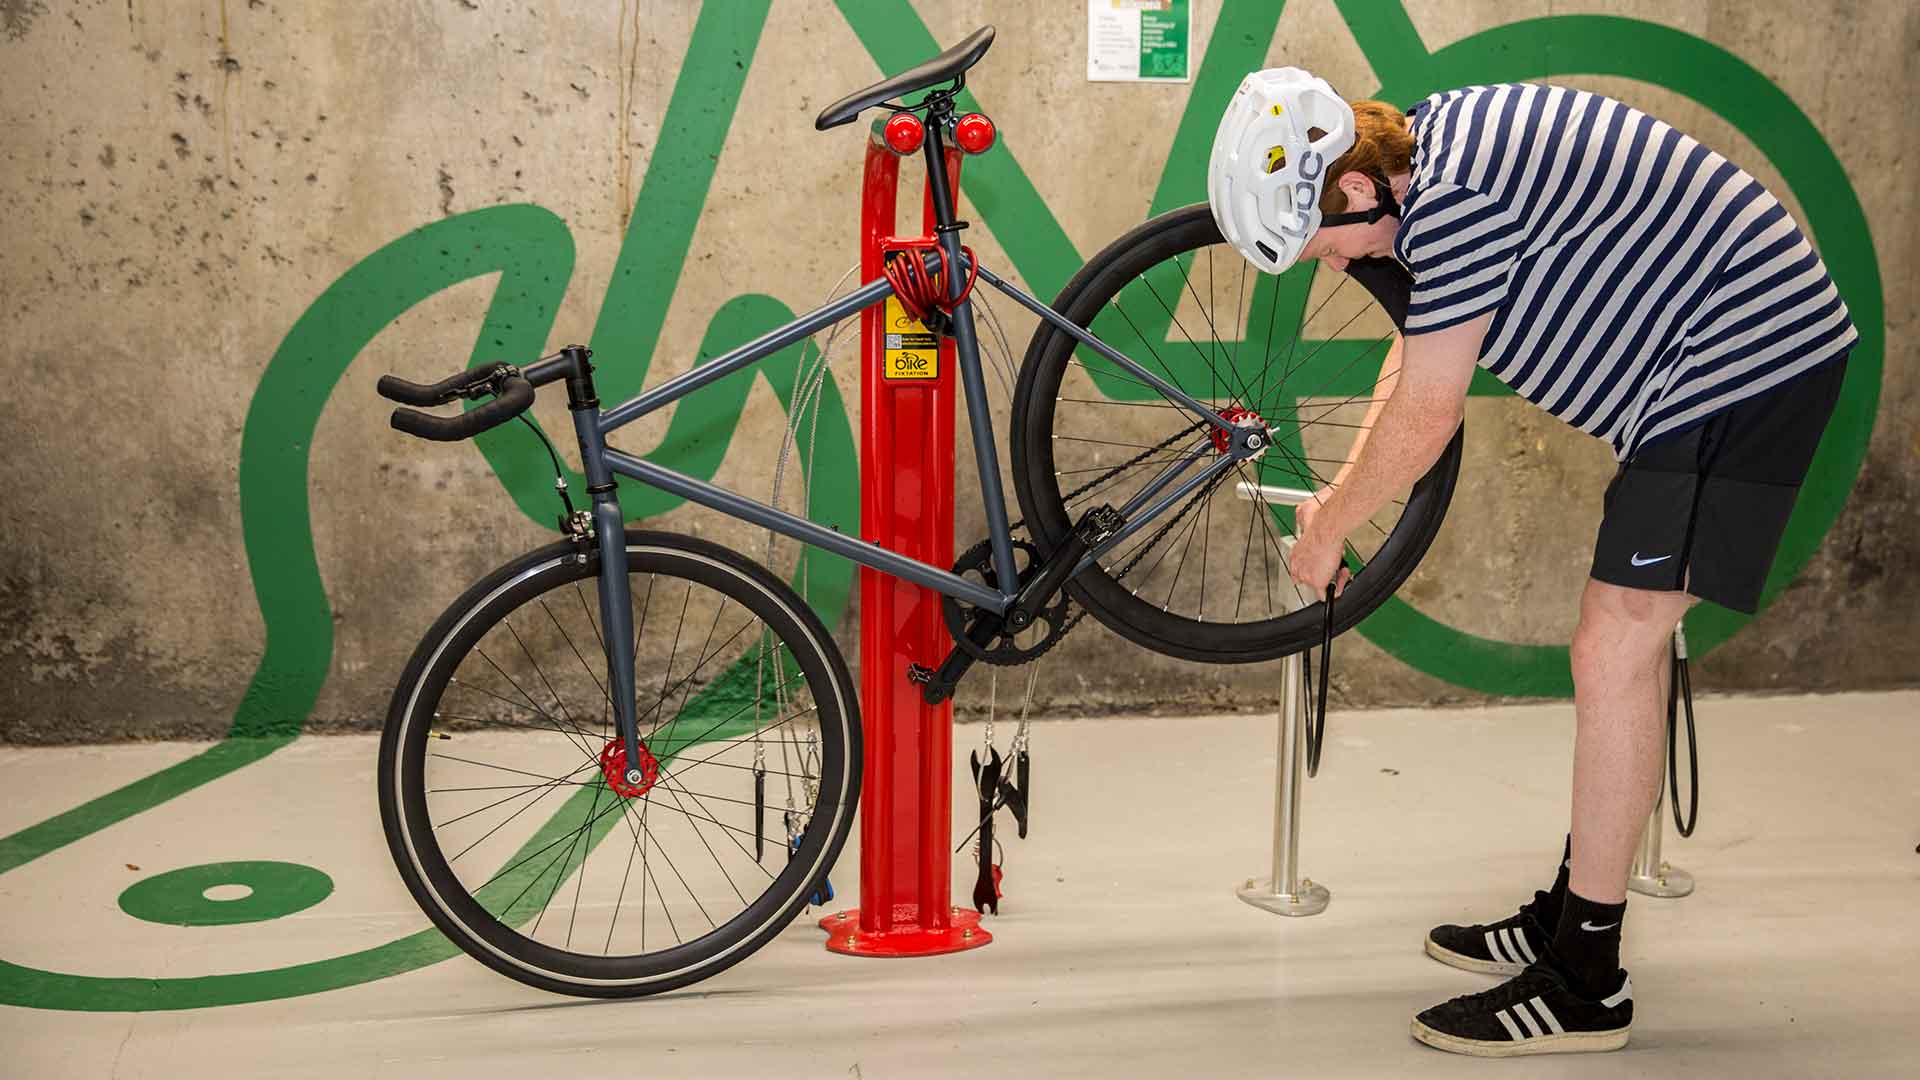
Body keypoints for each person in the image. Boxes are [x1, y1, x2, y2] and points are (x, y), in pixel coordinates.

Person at [1206, 71, 1856, 1057]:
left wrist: (1334, 526)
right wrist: (1339, 503)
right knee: (1614, 644)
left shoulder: (1455, 201)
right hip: (1713, 364)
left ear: (1347, 192)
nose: (1332, 269)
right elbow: (1419, 359)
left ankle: (1585, 978)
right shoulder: (1434, 151)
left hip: (1745, 364)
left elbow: (1430, 412)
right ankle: (1570, 912)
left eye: (1321, 248)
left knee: (1616, 648)